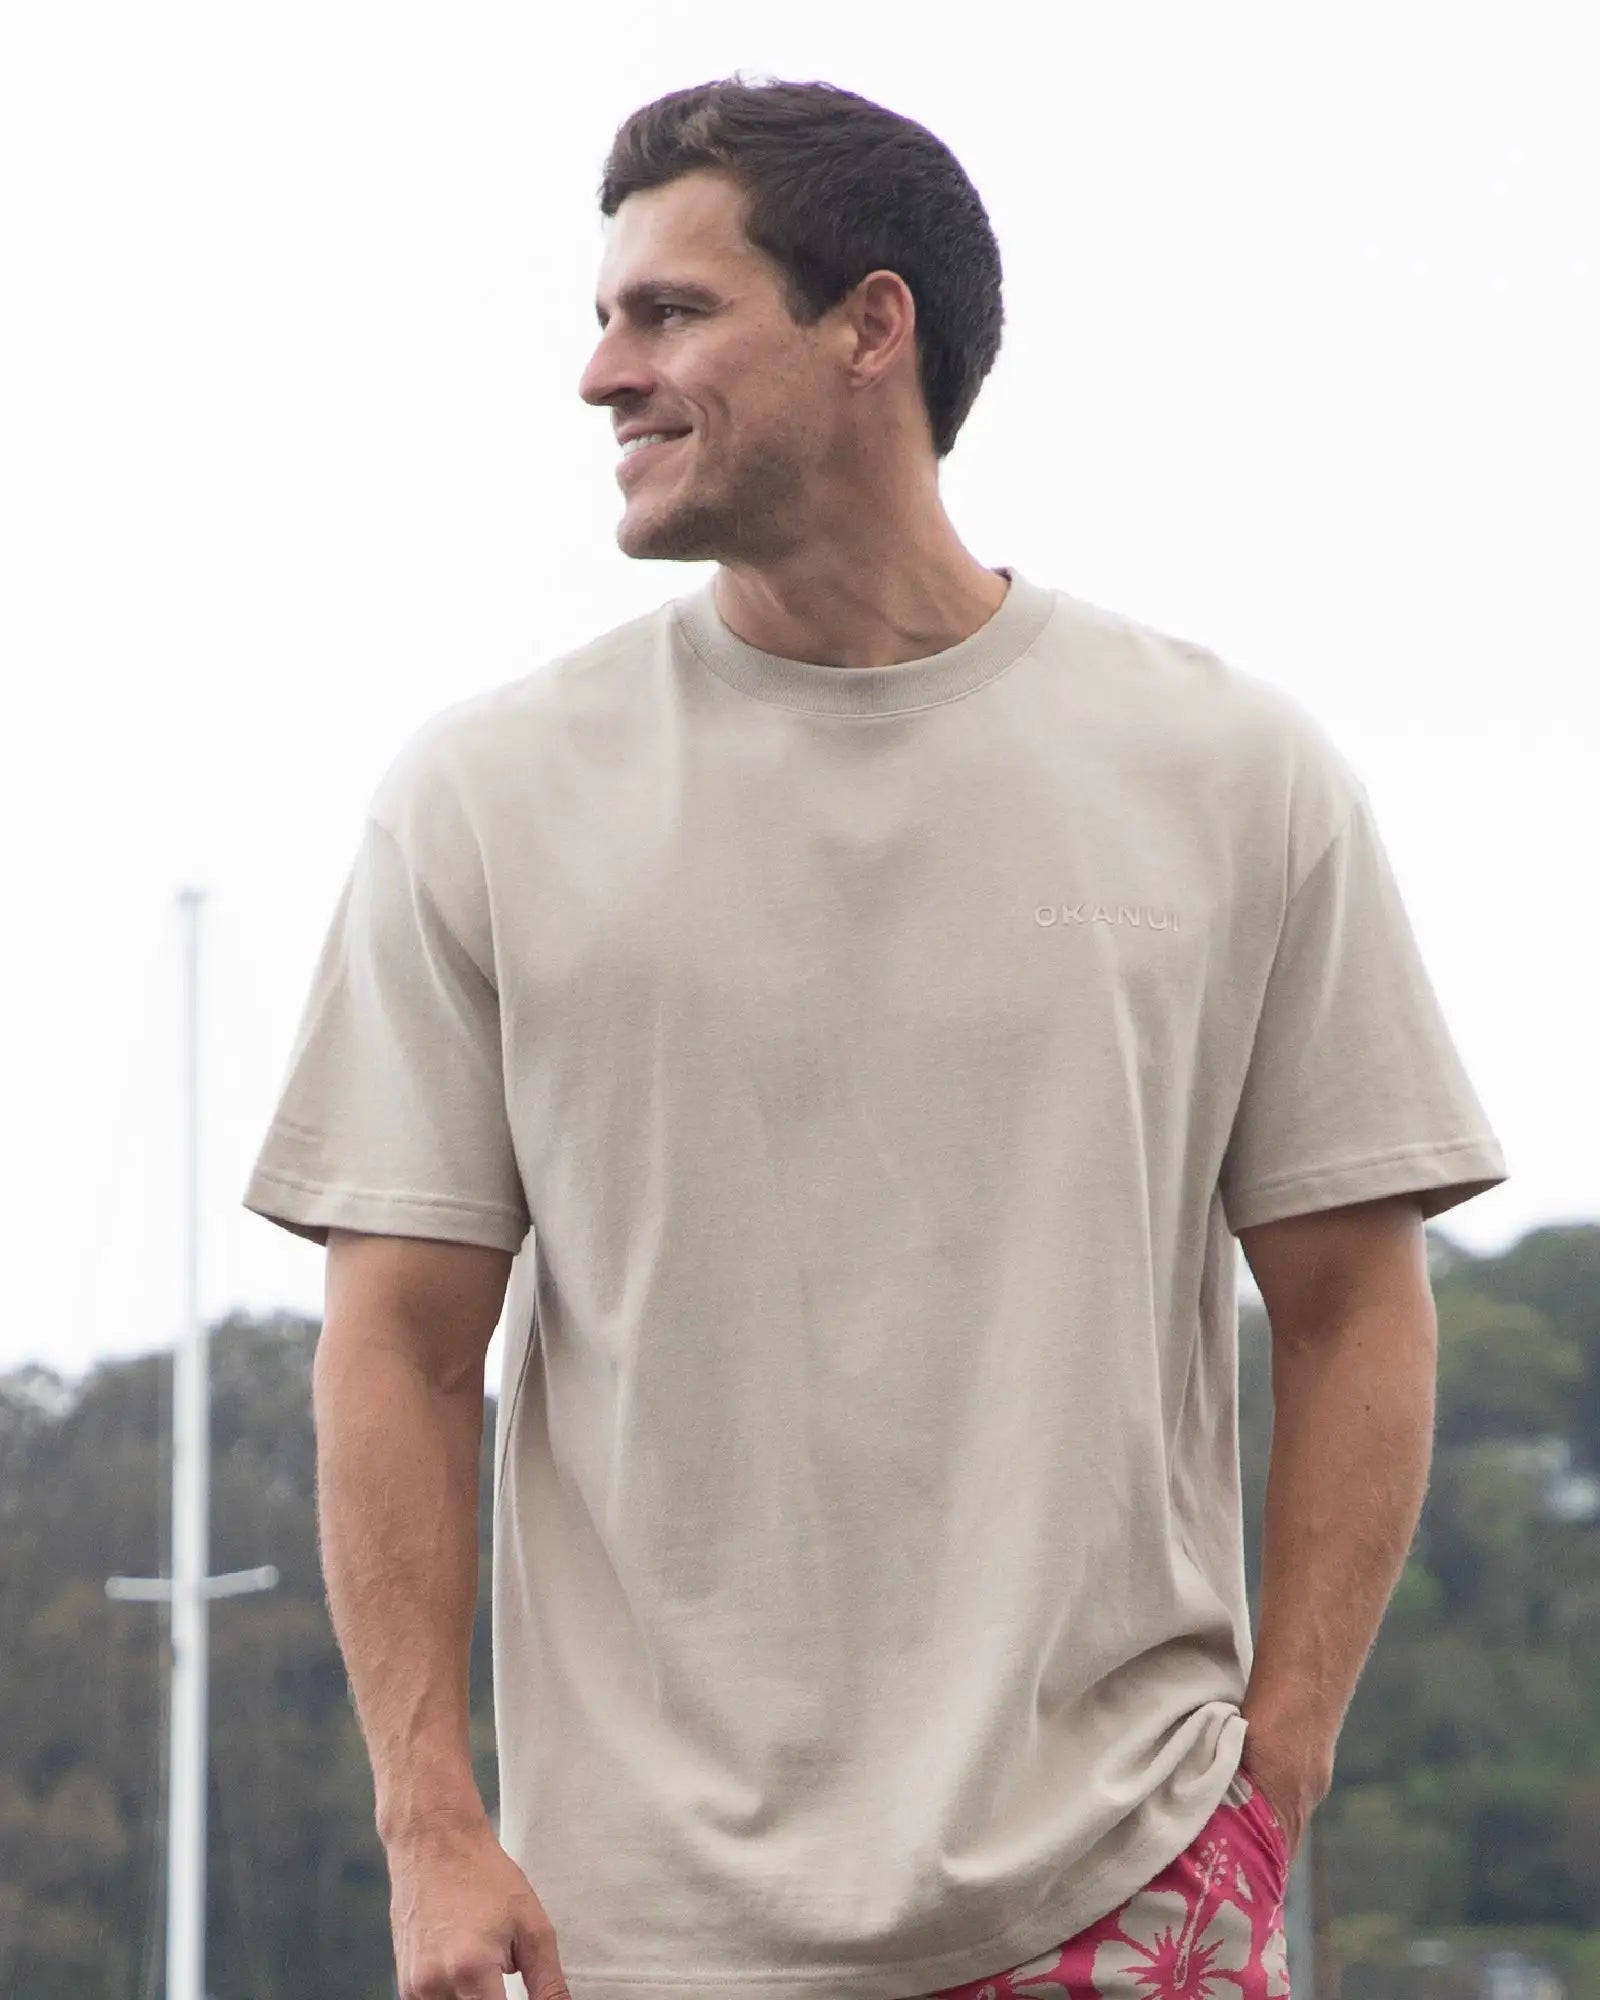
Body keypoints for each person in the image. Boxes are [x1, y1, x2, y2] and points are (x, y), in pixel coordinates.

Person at [243, 75, 1508, 2000]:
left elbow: (1354, 1302)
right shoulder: (488, 799)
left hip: (1120, 1896)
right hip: (634, 1938)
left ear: (870, 327)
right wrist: (431, 1829)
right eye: (601, 320)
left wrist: (1279, 1772)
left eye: (666, 313)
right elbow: (401, 1341)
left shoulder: (1230, 774)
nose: (603, 375)